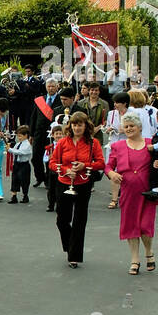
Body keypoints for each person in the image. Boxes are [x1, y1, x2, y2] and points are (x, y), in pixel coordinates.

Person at [105, 112, 158, 276]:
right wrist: (112, 174)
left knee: (145, 226)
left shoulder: (151, 144)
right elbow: (108, 166)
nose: (129, 129)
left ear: (140, 127)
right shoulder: (118, 146)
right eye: (126, 127)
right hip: (128, 193)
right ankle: (135, 260)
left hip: (148, 193)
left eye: (132, 126)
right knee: (131, 226)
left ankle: (149, 251)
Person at [52, 112, 105, 268]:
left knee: (80, 219)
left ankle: (74, 255)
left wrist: (86, 166)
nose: (77, 128)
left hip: (83, 183)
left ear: (85, 126)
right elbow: (53, 162)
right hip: (64, 182)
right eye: (74, 125)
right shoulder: (62, 142)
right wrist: (66, 170)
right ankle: (70, 245)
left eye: (80, 125)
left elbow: (101, 162)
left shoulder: (93, 143)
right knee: (62, 219)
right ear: (71, 126)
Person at [30, 78, 62, 186]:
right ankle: (40, 177)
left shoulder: (60, 100)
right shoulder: (40, 100)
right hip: (39, 132)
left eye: (53, 86)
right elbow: (33, 117)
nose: (51, 88)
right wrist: (31, 133)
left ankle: (49, 180)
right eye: (49, 86)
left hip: (53, 134)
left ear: (57, 87)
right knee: (35, 157)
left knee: (50, 158)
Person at [7, 125, 33, 204]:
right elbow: (15, 150)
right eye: (18, 136)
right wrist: (9, 147)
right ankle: (14, 196)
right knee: (15, 179)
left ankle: (25, 195)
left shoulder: (27, 145)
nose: (19, 138)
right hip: (17, 164)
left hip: (24, 165)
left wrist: (10, 150)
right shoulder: (18, 144)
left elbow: (21, 152)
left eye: (20, 136)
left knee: (24, 180)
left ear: (26, 135)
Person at [43, 123, 64, 212]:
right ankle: (51, 204)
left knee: (61, 189)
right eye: (56, 134)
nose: (58, 136)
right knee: (51, 188)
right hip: (52, 171)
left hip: (62, 170)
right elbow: (44, 159)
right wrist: (49, 157)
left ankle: (60, 205)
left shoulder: (64, 145)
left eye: (60, 134)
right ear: (52, 135)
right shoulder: (50, 147)